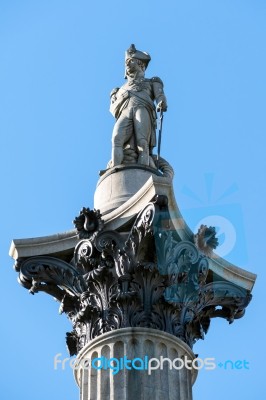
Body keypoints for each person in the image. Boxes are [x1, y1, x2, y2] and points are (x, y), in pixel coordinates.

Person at [110, 44, 167, 167]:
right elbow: (113, 109)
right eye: (126, 62)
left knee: (142, 143)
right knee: (116, 139)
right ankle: (115, 167)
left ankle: (144, 170)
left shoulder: (152, 82)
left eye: (131, 61)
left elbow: (160, 96)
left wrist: (161, 103)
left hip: (142, 109)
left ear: (140, 63)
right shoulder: (119, 90)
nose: (127, 64)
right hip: (125, 112)